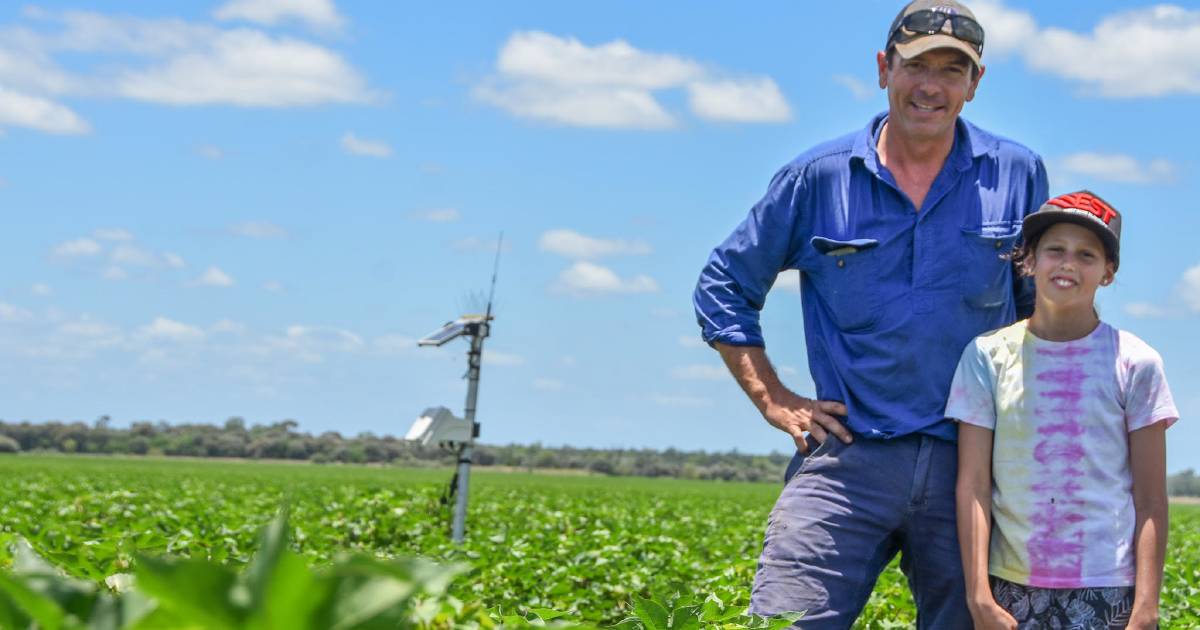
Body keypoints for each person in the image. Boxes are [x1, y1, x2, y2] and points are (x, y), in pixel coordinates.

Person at [692, 0, 1049, 627]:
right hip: (846, 457)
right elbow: (724, 284)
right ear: (885, 69)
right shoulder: (817, 178)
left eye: (952, 69)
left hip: (967, 462)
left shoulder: (1015, 173)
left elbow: (1035, 315)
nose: (931, 86)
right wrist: (774, 397)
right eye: (916, 66)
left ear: (975, 83)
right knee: (786, 620)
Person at [949, 191, 1177, 630]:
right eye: (1055, 249)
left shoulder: (1136, 362)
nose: (1068, 263)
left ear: (1107, 272)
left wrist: (1146, 610)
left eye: (1086, 254)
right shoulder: (987, 356)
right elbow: (973, 485)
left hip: (1109, 588)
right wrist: (979, 596)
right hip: (1010, 587)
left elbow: (1150, 499)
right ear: (1029, 260)